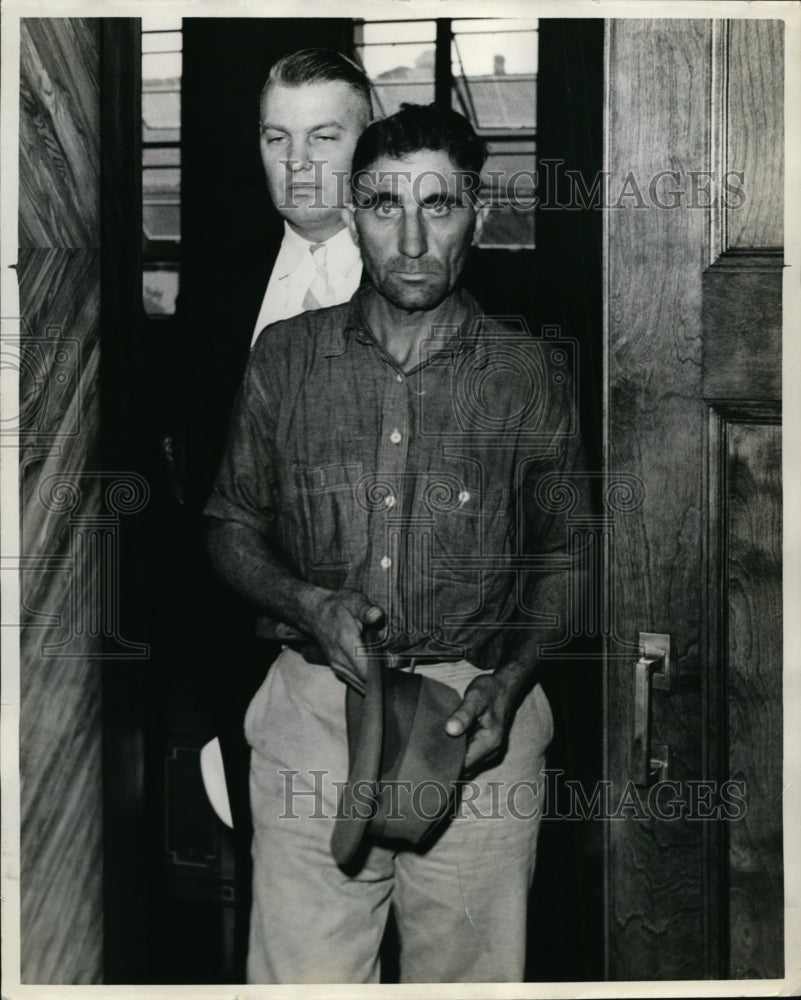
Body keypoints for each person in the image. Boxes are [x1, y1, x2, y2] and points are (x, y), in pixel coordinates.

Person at [204, 104, 589, 984]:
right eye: (383, 206)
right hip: (311, 713)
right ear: (350, 214)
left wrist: (513, 681)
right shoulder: (285, 358)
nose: (412, 239)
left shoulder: (528, 374)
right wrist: (308, 603)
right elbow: (228, 525)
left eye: (439, 205)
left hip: (475, 727)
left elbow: (567, 558)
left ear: (478, 216)